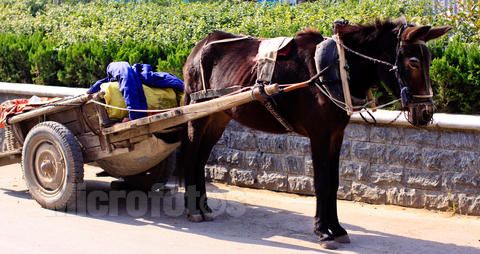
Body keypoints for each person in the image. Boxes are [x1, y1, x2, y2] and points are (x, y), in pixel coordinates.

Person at [87, 62, 184, 120]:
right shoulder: (117, 69)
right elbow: (126, 79)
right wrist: (134, 116)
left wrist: (134, 115)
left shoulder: (115, 76)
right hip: (132, 109)